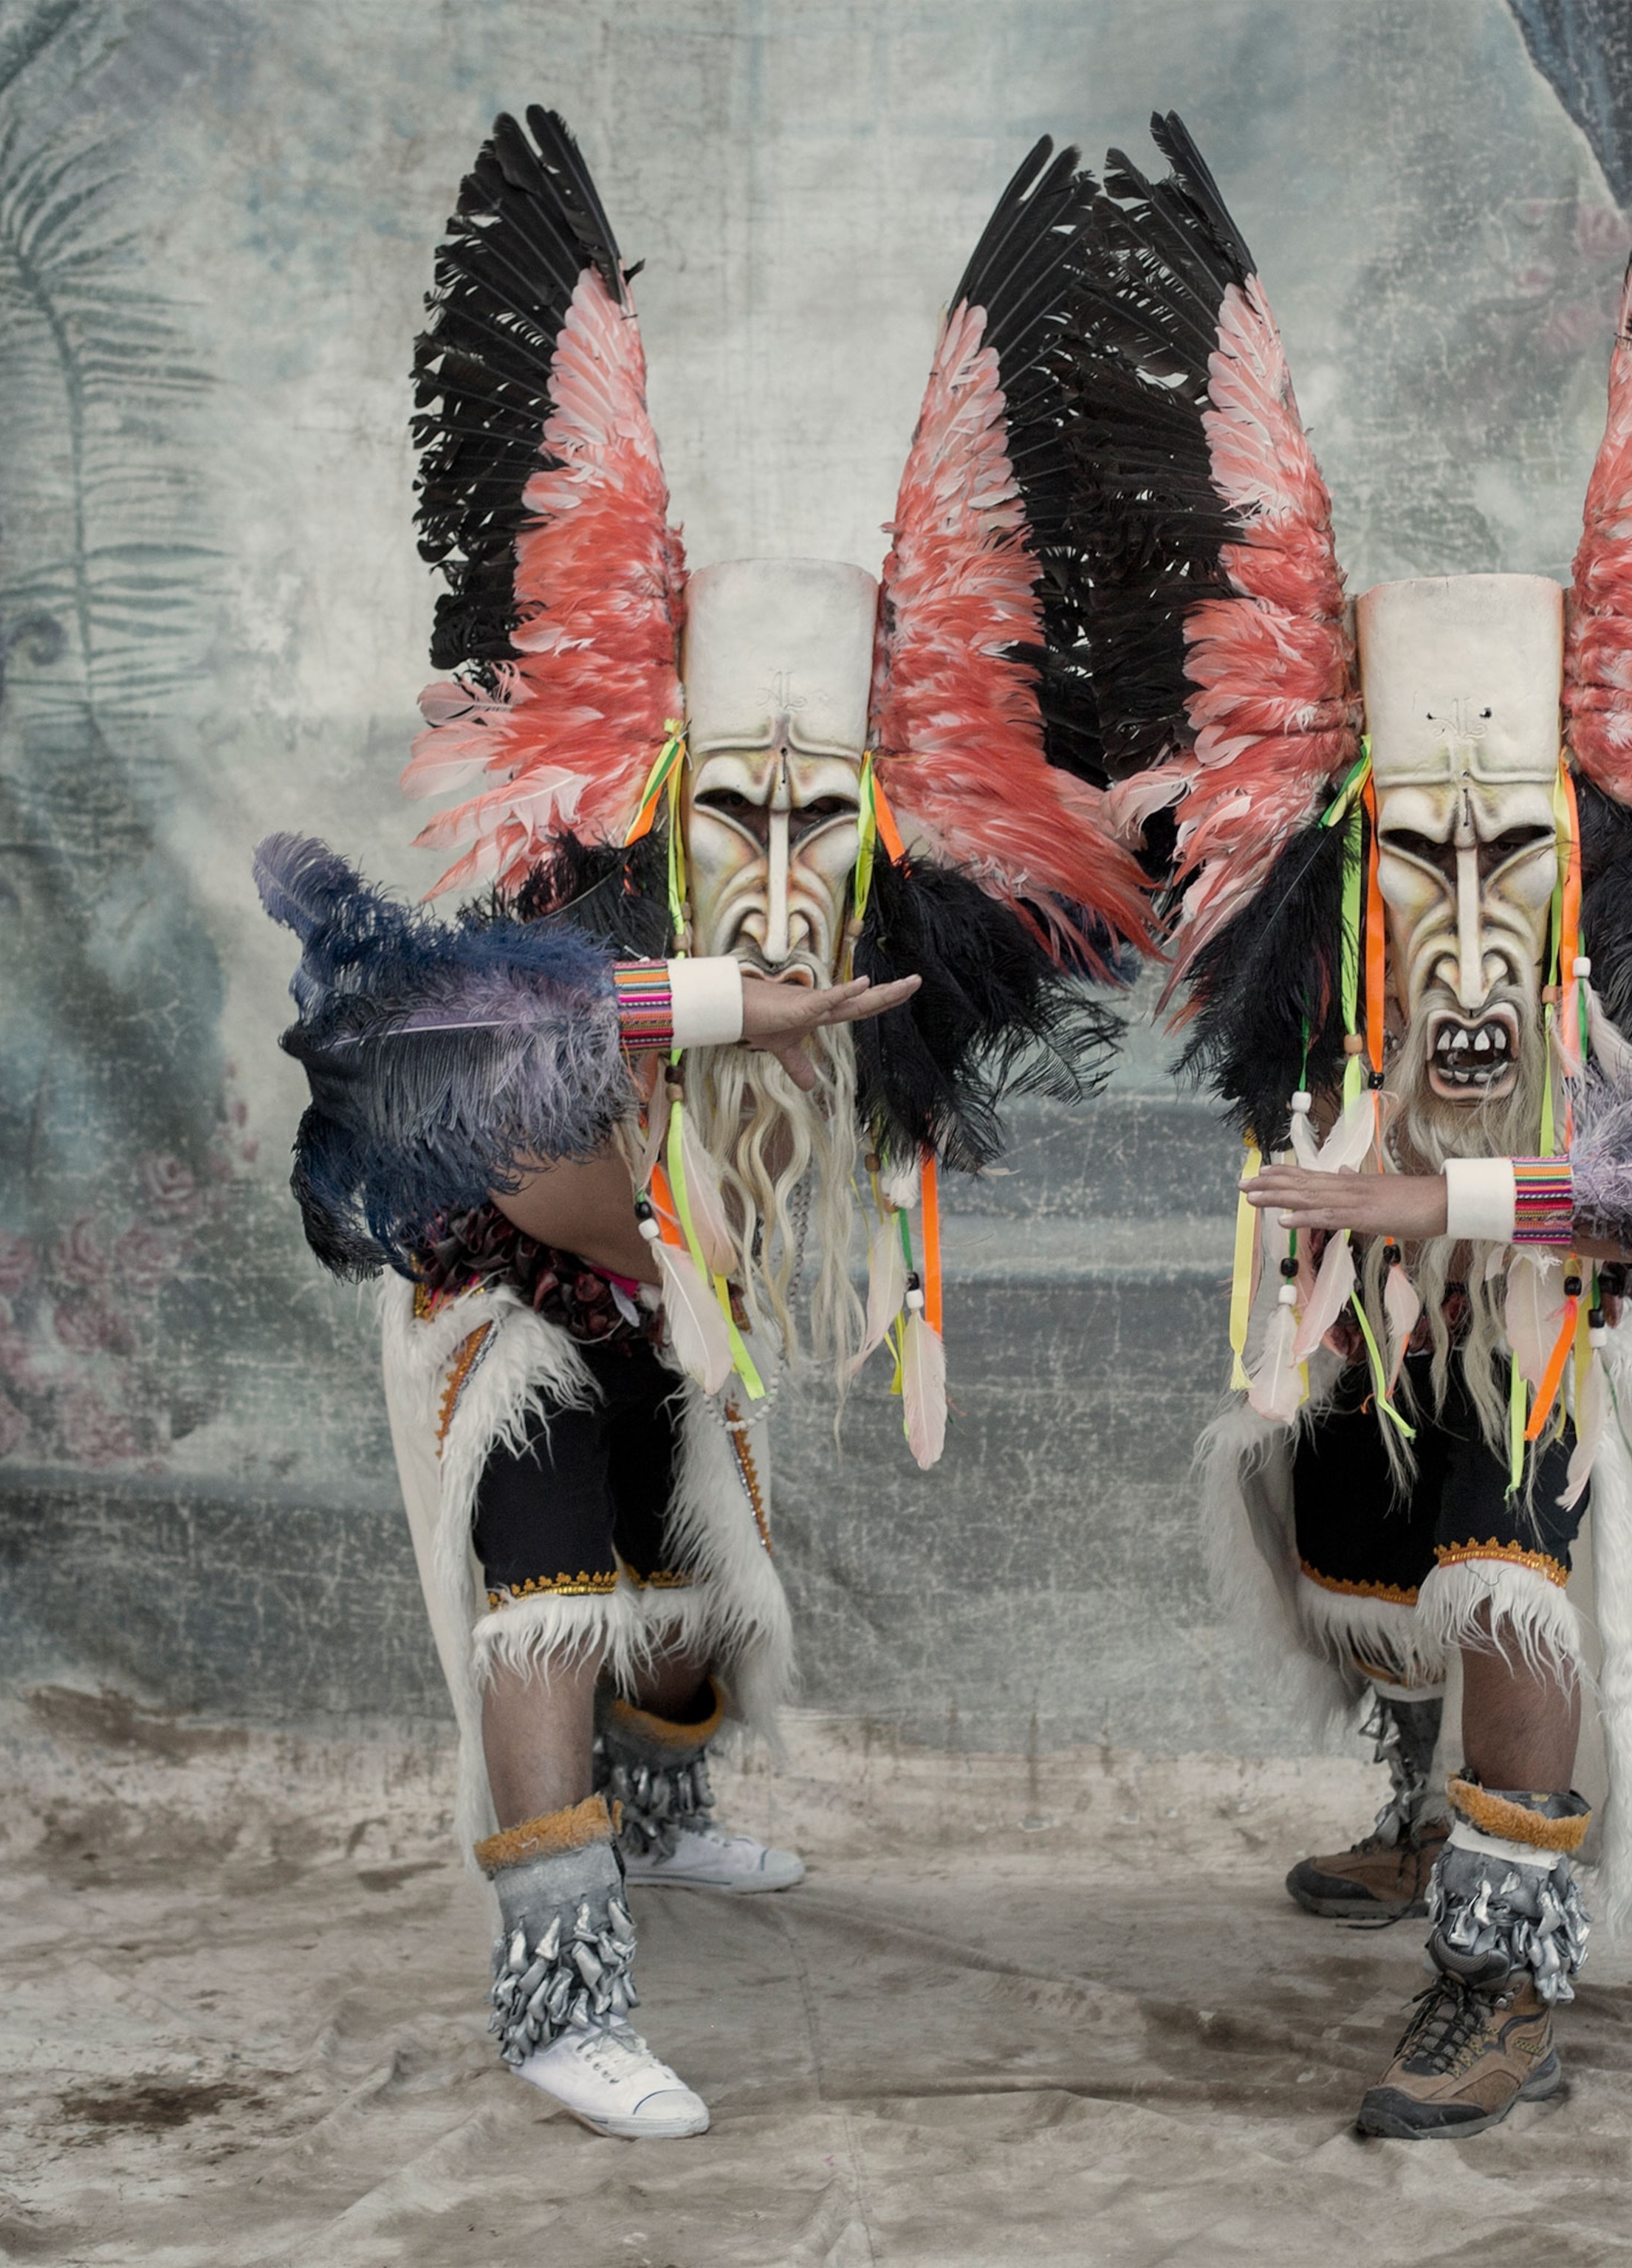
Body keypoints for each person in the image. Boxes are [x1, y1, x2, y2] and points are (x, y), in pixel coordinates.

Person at [1064, 97, 1632, 2138]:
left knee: (1505, 1563)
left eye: (1508, 851)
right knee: (1363, 1531)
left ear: (1581, 844)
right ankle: (1422, 1815)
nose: (1465, 906)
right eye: (1415, 848)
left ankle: (1502, 1965)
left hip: (1557, 1335)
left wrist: (1476, 1195)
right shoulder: (1340, 966)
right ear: (1345, 837)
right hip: (1383, 1321)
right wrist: (1361, 1197)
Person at [259, 109, 1151, 2138]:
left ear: (881, 842)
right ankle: (558, 1987)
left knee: (706, 1518)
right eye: (727, 820)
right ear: (658, 826)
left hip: (652, 1285)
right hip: (513, 1302)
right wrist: (718, 1023)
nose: (769, 868)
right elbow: (564, 1182)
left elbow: (744, 1216)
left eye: (815, 823)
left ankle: (660, 1819)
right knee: (557, 1559)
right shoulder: (569, 955)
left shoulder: (860, 999)